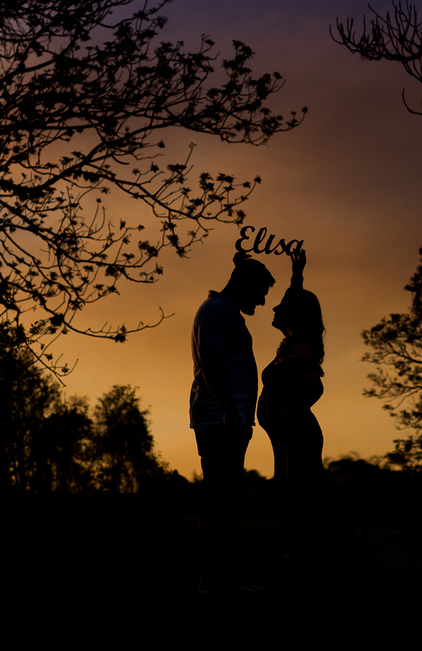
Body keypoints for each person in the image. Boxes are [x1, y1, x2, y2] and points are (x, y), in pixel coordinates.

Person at [189, 250, 275, 594]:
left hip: (227, 418)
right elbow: (210, 361)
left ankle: (219, 576)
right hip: (220, 419)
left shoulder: (224, 311)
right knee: (218, 497)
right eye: (260, 292)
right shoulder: (217, 311)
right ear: (246, 283)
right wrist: (229, 413)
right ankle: (212, 578)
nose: (262, 301)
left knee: (224, 497)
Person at [257, 248, 328, 566]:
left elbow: (315, 385)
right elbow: (295, 297)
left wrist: (287, 413)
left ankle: (312, 561)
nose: (274, 306)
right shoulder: (290, 343)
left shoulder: (300, 346)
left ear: (294, 314)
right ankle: (305, 558)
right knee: (289, 499)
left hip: (299, 433)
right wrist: (296, 274)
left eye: (282, 305)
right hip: (285, 436)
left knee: (294, 500)